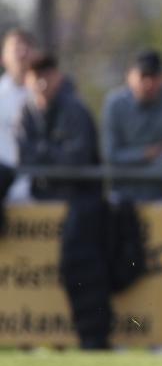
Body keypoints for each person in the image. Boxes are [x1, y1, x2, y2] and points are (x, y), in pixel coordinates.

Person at [18, 53, 112, 349]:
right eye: (36, 77)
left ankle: (93, 338)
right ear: (27, 80)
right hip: (45, 204)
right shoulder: (26, 112)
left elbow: (77, 159)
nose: (42, 83)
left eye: (46, 75)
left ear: (57, 76)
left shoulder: (75, 110)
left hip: (81, 203)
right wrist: (53, 156)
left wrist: (45, 155)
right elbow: (25, 159)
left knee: (82, 271)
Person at [102, 49, 162, 202]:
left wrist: (131, 164)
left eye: (154, 76)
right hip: (122, 198)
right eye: (143, 76)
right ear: (129, 76)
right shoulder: (114, 103)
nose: (149, 83)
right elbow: (110, 155)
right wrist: (145, 153)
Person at [0, 28, 36, 202]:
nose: (22, 53)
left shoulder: (45, 96)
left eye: (27, 47)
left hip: (39, 192)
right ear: (3, 56)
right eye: (16, 47)